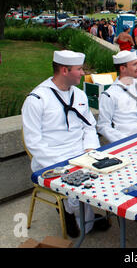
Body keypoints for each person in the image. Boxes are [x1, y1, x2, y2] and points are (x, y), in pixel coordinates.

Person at [22, 50, 110, 237]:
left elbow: (89, 127)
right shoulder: (36, 99)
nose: (83, 73)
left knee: (109, 171)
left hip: (80, 154)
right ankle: (72, 213)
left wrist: (91, 150)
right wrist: (63, 166)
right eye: (79, 69)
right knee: (77, 182)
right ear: (64, 70)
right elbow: (33, 142)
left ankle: (76, 213)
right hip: (51, 159)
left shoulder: (79, 95)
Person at [97, 50, 137, 143]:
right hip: (127, 142)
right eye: (134, 64)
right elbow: (103, 126)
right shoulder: (109, 95)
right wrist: (126, 141)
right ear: (122, 68)